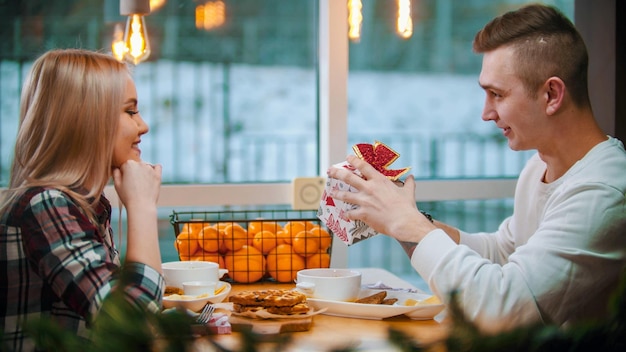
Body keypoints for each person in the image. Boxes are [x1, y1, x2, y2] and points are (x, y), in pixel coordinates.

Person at [328, 4, 626, 332]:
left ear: (551, 95)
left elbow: (501, 312)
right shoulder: (538, 165)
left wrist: (408, 224)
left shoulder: (603, 190)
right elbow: (500, 253)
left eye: (497, 94)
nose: (486, 113)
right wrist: (398, 218)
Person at [0, 49, 164, 350]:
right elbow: (134, 326)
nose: (143, 126)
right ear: (88, 121)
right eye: (130, 111)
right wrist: (142, 207)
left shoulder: (81, 205)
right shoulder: (46, 205)